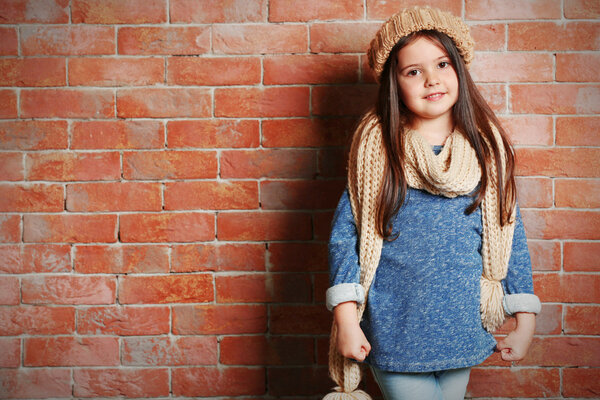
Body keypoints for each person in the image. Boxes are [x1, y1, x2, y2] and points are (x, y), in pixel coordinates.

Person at [324, 6, 541, 400]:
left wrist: (524, 320)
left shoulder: (485, 152)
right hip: (395, 330)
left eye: (442, 64)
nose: (431, 80)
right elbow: (346, 239)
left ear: (459, 68)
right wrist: (346, 319)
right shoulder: (378, 155)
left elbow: (512, 238)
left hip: (460, 328)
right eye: (413, 71)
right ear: (395, 83)